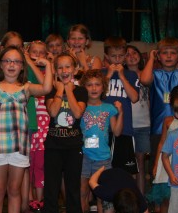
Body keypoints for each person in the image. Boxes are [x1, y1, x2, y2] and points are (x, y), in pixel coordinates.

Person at [0, 46, 53, 213]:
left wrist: (48, 66)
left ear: (22, 66)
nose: (11, 64)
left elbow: (46, 88)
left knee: (14, 190)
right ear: (1, 65)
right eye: (7, 61)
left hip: (19, 147)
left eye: (16, 61)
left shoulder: (27, 88)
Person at [140, 37, 178, 182]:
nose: (169, 56)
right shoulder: (155, 74)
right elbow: (144, 80)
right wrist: (151, 58)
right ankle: (157, 202)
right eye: (164, 53)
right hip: (158, 129)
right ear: (158, 56)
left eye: (173, 53)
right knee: (156, 169)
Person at [43, 52, 88, 213]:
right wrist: (59, 90)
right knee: (51, 187)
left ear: (75, 70)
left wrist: (68, 90)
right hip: (53, 146)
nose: (64, 70)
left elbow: (77, 113)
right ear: (55, 71)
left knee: (73, 187)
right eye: (60, 67)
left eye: (67, 66)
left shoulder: (81, 91)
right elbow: (53, 112)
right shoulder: (51, 91)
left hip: (73, 146)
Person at [79, 69, 123, 213]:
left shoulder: (109, 108)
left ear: (103, 87)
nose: (93, 88)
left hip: (103, 158)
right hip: (83, 156)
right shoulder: (80, 107)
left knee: (102, 195)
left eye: (97, 84)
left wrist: (121, 113)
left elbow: (116, 131)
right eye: (89, 85)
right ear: (84, 87)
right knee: (82, 192)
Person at [147, 84, 178, 213]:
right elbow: (162, 146)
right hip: (172, 170)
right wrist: (158, 165)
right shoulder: (170, 125)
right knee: (169, 201)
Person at [102, 36, 139, 174]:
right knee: (104, 167)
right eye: (113, 56)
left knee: (124, 170)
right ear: (106, 56)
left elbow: (134, 98)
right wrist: (109, 75)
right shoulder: (102, 74)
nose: (117, 59)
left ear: (125, 56)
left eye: (120, 56)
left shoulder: (131, 75)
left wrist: (122, 77)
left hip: (124, 128)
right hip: (103, 128)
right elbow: (97, 95)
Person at [25, 40, 50, 212]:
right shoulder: (24, 71)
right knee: (27, 163)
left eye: (42, 52)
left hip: (44, 128)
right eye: (34, 52)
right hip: (27, 125)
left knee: (40, 164)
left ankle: (40, 199)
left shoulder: (48, 72)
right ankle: (28, 197)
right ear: (27, 52)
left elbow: (45, 86)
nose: (38, 55)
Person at [124, 45, 151, 194]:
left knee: (140, 161)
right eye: (127, 54)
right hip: (127, 125)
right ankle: (129, 198)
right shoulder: (122, 75)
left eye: (135, 53)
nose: (132, 56)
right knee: (128, 163)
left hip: (144, 125)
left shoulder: (146, 75)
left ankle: (141, 198)